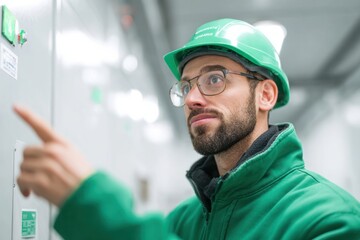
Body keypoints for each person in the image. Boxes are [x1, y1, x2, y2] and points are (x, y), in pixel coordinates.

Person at [14, 18, 360, 239]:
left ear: (265, 94)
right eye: (185, 86)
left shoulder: (329, 220)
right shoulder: (183, 221)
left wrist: (100, 214)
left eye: (214, 78)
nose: (192, 97)